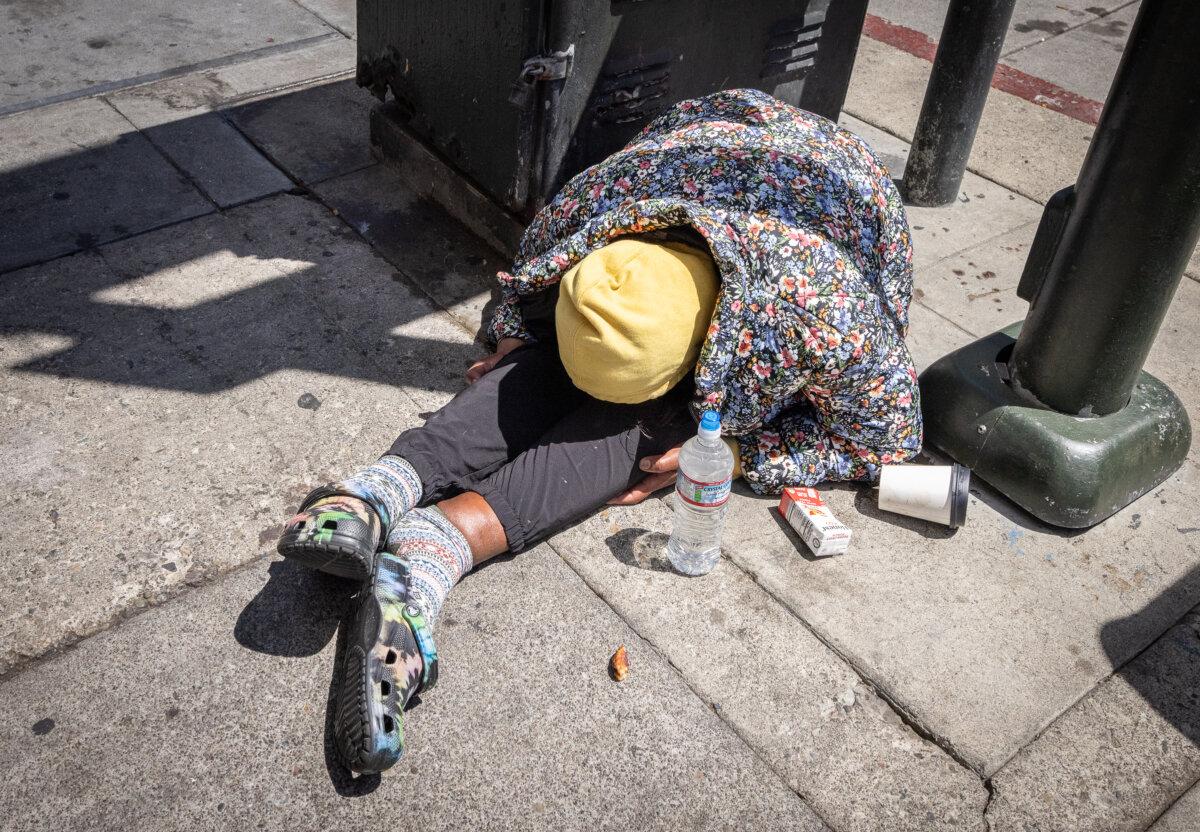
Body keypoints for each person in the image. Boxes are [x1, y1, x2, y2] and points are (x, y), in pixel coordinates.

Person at [276, 88, 921, 774]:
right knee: (551, 355)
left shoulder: (830, 319)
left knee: (670, 427)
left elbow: (886, 436)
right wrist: (519, 331)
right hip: (708, 150)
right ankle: (385, 507)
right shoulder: (587, 213)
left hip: (834, 211)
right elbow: (531, 284)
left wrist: (739, 448)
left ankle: (406, 526)